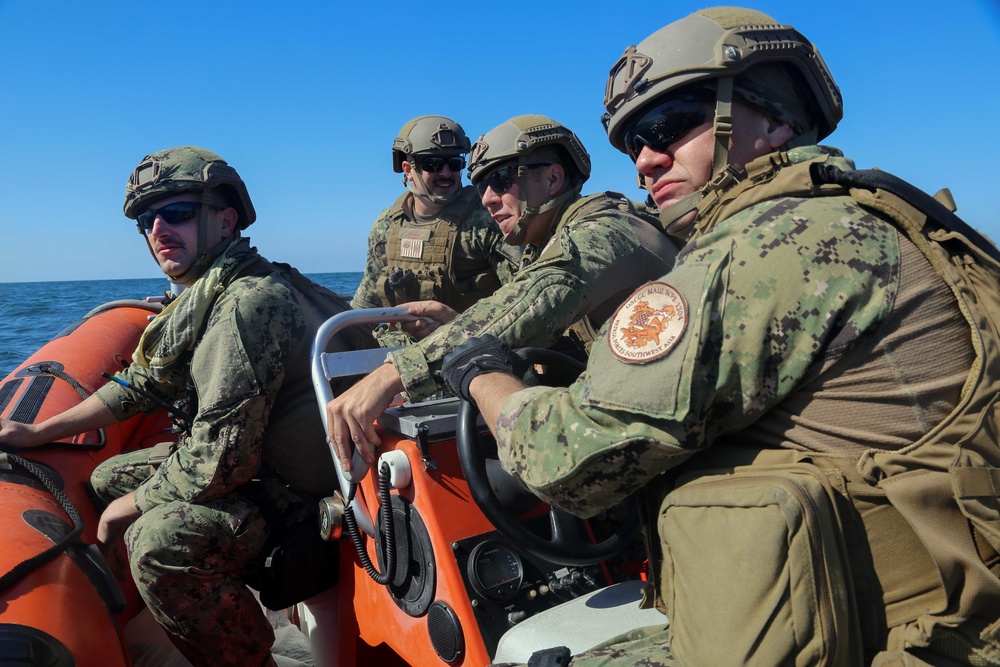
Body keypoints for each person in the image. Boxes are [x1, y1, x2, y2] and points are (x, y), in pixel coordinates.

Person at [443, 7, 1000, 666]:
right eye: (631, 143)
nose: (646, 159)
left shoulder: (762, 250)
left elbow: (567, 463)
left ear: (771, 116)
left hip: (897, 641)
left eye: (667, 124)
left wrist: (483, 374)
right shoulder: (874, 213)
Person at [0, 146, 370, 667]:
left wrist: (115, 520)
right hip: (268, 467)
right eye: (147, 220)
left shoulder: (245, 304)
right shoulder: (214, 290)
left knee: (156, 542)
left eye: (176, 213)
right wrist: (42, 432)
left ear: (225, 220)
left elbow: (223, 458)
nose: (158, 230)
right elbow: (140, 384)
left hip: (299, 497)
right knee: (108, 478)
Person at [327, 114, 679, 472]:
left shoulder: (603, 233)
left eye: (499, 180)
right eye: (480, 186)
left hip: (668, 445)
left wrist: (392, 375)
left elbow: (533, 299)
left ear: (554, 178)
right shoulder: (542, 242)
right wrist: (459, 327)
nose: (488, 199)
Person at [351, 115, 521, 321]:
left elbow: (520, 302)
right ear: (408, 169)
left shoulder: (486, 220)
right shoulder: (388, 224)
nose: (446, 173)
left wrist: (458, 326)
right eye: (433, 164)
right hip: (396, 346)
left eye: (455, 163)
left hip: (468, 347)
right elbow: (367, 303)